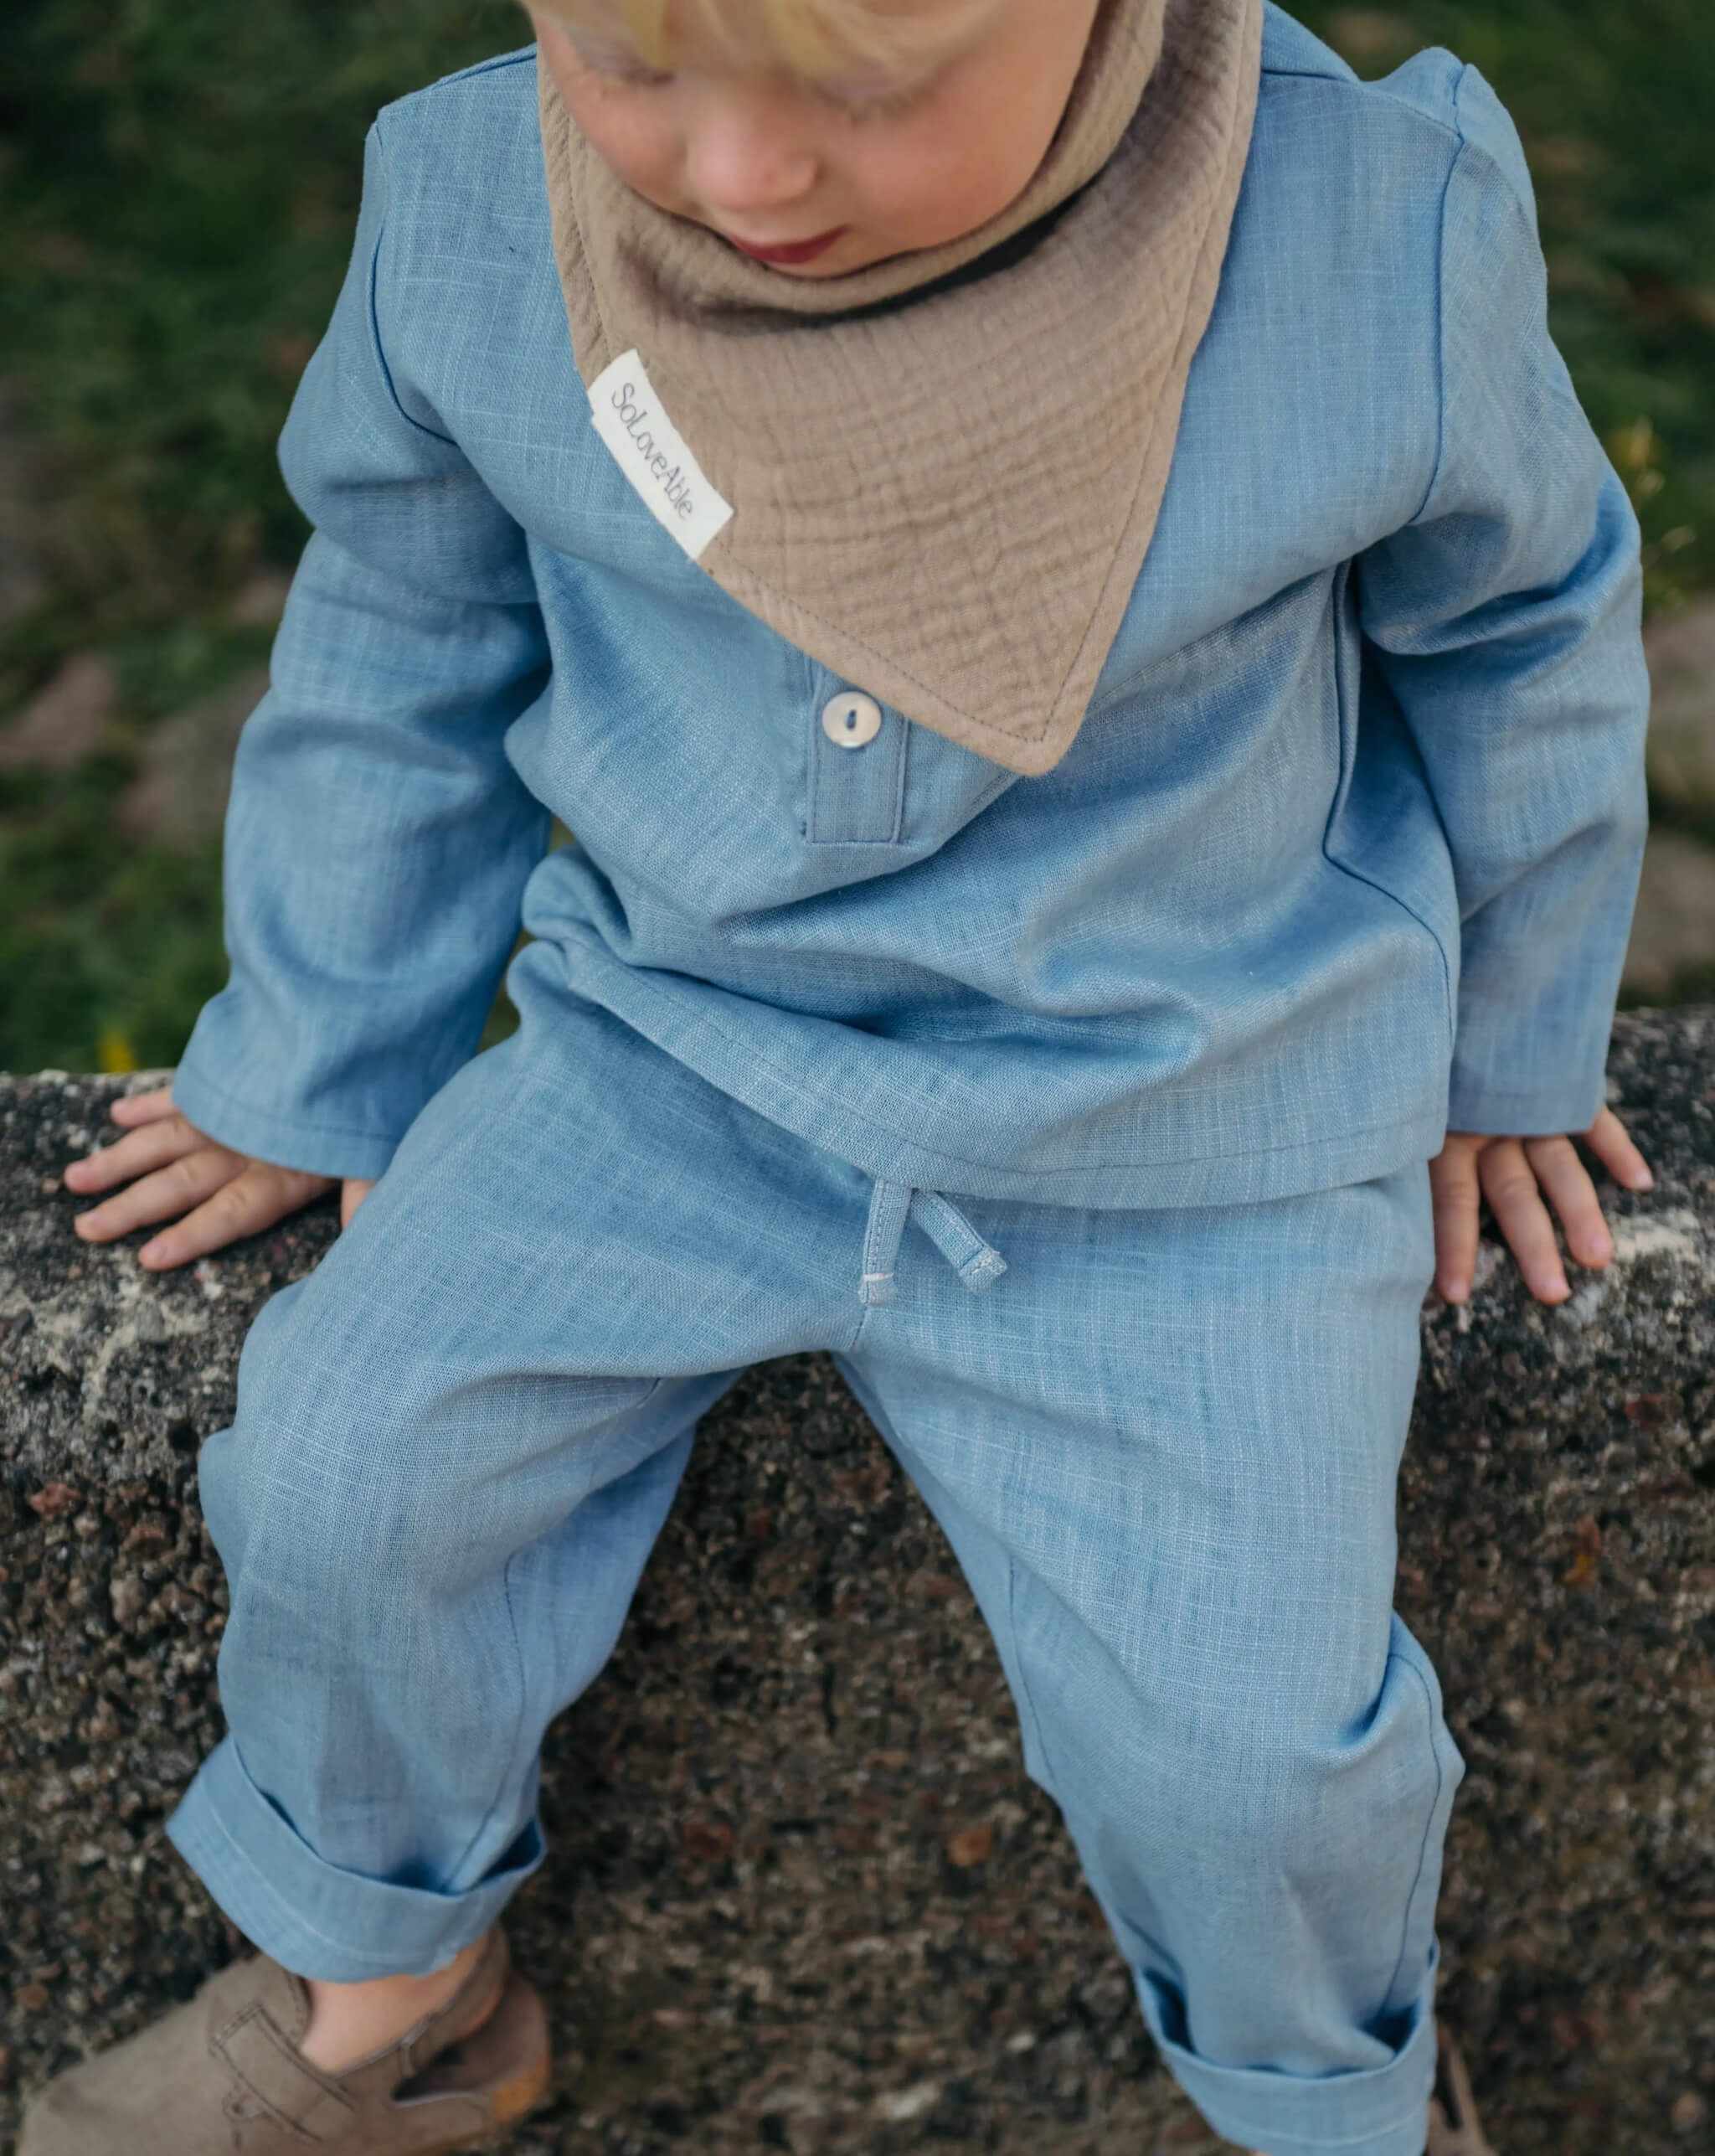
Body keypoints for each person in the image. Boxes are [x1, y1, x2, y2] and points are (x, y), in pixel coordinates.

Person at [30, 0, 1653, 2151]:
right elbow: (403, 639)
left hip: (1186, 1114)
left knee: (1255, 1749)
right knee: (346, 1472)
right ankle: (395, 1981)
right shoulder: (470, 209)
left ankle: (1326, 2097)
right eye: (627, 61)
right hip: (666, 1059)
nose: (735, 177)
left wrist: (1514, 1043)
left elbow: (1524, 627)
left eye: (869, 95)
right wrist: (321, 1053)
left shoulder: (1361, 221)